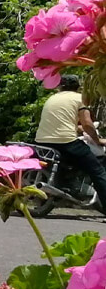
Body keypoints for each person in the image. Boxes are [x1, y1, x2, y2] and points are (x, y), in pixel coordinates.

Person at [35, 75, 106, 211]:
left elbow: (64, 123)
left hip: (42, 141)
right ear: (78, 87)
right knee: (98, 171)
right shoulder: (79, 98)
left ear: (59, 86)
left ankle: (65, 185)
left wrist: (79, 129)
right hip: (65, 142)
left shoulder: (52, 99)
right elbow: (86, 123)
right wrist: (98, 140)